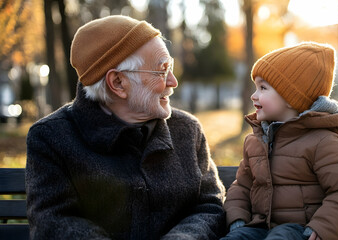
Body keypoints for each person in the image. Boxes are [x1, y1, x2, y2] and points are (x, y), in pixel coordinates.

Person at [25, 15, 225, 240]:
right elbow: (52, 221)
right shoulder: (51, 138)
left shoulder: (187, 130)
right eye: (161, 70)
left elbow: (209, 205)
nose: (172, 81)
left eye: (171, 67)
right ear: (118, 83)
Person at [221, 42, 338, 240]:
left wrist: (321, 228)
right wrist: (237, 218)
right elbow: (242, 186)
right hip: (261, 227)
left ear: (291, 97)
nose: (254, 95)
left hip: (305, 230)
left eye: (263, 88)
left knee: (281, 236)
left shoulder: (323, 142)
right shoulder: (255, 141)